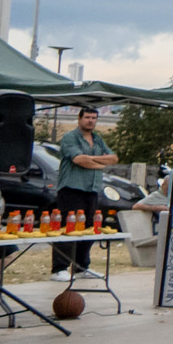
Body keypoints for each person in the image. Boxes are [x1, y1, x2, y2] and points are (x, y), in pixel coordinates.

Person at [51, 106, 117, 277]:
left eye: (94, 118)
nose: (91, 121)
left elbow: (114, 158)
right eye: (87, 117)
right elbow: (79, 160)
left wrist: (93, 159)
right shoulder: (70, 137)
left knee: (89, 227)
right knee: (68, 227)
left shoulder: (97, 139)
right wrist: (100, 164)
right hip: (72, 188)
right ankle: (59, 269)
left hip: (92, 189)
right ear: (79, 119)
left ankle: (81, 267)